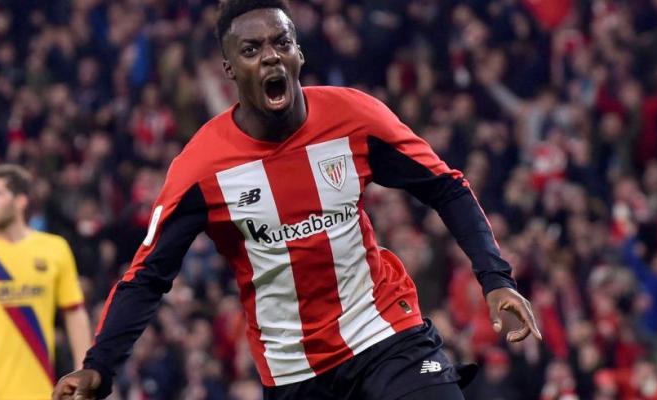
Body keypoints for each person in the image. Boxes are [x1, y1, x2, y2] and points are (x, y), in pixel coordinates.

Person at [54, 1, 542, 399]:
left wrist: (495, 278)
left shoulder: (355, 117)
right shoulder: (201, 168)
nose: (269, 56)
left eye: (280, 42)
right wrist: (99, 368)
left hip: (386, 334)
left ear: (298, 54)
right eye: (251, 49)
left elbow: (446, 185)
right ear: (229, 68)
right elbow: (147, 277)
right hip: (294, 372)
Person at [0, 164, 92, 400]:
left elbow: (75, 313)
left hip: (40, 389)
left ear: (21, 200)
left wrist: (83, 371)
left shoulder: (55, 249)